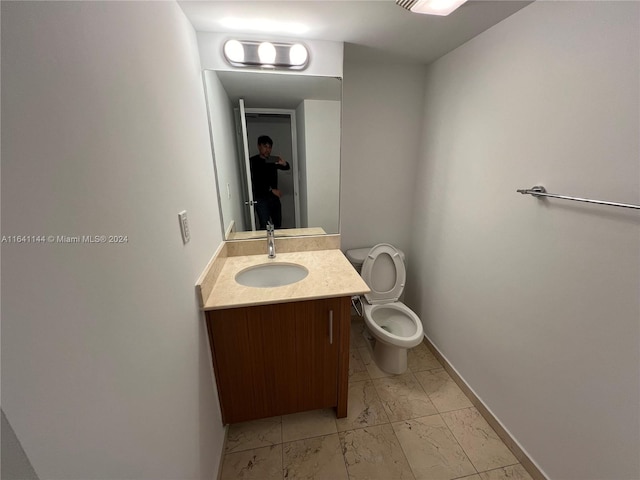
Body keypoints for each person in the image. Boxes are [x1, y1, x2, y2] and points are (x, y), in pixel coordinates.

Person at [249, 135, 290, 229]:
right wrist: (271, 191)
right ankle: (266, 243)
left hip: (274, 198)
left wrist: (284, 163)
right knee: (265, 225)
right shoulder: (252, 162)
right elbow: (255, 182)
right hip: (261, 198)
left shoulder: (272, 160)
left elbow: (287, 167)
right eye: (265, 147)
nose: (267, 150)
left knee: (277, 224)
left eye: (269, 147)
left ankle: (278, 243)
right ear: (259, 146)